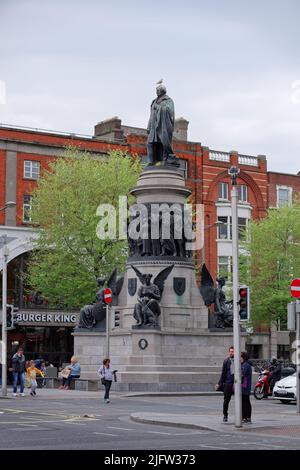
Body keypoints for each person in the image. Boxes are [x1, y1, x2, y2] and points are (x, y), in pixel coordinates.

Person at [147, 80, 175, 165]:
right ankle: (151, 161)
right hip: (153, 127)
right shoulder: (153, 101)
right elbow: (151, 115)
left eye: (158, 91)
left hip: (163, 126)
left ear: (162, 91)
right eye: (156, 91)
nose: (156, 92)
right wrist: (148, 126)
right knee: (150, 143)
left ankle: (165, 160)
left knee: (163, 143)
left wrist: (158, 107)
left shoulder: (168, 100)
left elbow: (169, 110)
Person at [215, 346, 235, 422]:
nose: (231, 352)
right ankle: (225, 415)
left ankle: (243, 416)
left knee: (241, 400)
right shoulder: (226, 361)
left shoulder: (238, 361)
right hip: (228, 383)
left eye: (233, 351)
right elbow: (223, 373)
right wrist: (219, 383)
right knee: (226, 400)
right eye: (230, 351)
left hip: (236, 383)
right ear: (228, 352)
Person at [241, 352, 252, 423]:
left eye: (240, 357)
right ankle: (247, 417)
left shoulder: (245, 365)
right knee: (246, 401)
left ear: (243, 358)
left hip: (244, 386)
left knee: (245, 402)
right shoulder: (247, 365)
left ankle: (245, 417)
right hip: (246, 386)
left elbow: (242, 374)